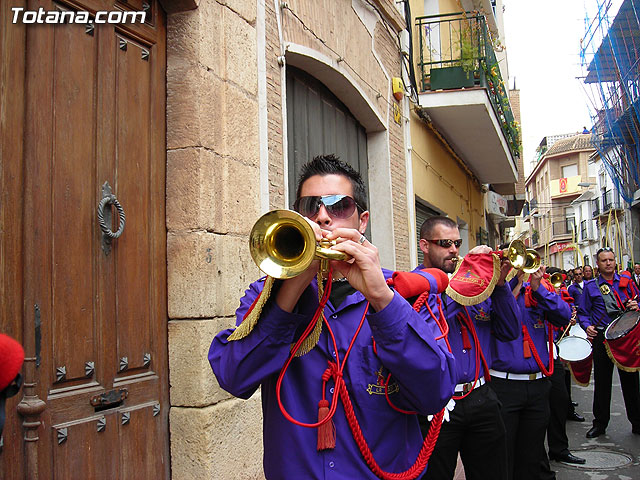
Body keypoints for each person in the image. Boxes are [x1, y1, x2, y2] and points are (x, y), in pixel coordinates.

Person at [209, 155, 456, 479]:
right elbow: (232, 376)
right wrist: (291, 290)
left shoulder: (405, 294)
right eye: (311, 206)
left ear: (362, 221)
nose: (323, 217)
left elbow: (435, 393)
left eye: (339, 206)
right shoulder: (265, 294)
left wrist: (382, 299)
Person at [417, 222, 520, 480]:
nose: (453, 250)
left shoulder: (477, 284)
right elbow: (431, 325)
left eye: (457, 243)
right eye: (445, 244)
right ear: (425, 246)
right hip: (437, 401)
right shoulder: (415, 284)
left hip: (481, 395)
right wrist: (468, 277)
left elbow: (510, 331)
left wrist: (498, 285)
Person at [490, 267, 571, 480]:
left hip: (537, 385)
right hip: (504, 386)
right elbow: (492, 311)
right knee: (504, 455)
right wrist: (507, 285)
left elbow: (564, 315)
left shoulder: (537, 293)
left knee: (532, 454)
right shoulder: (494, 291)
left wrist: (538, 289)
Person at [577, 247, 640, 438]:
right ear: (598, 264)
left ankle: (637, 422)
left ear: (615, 261)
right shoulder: (590, 286)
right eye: (604, 260)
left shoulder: (627, 282)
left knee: (631, 384)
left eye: (611, 260)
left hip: (625, 338)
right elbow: (583, 312)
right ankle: (600, 423)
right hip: (602, 338)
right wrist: (587, 326)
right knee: (602, 384)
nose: (608, 263)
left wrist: (637, 305)